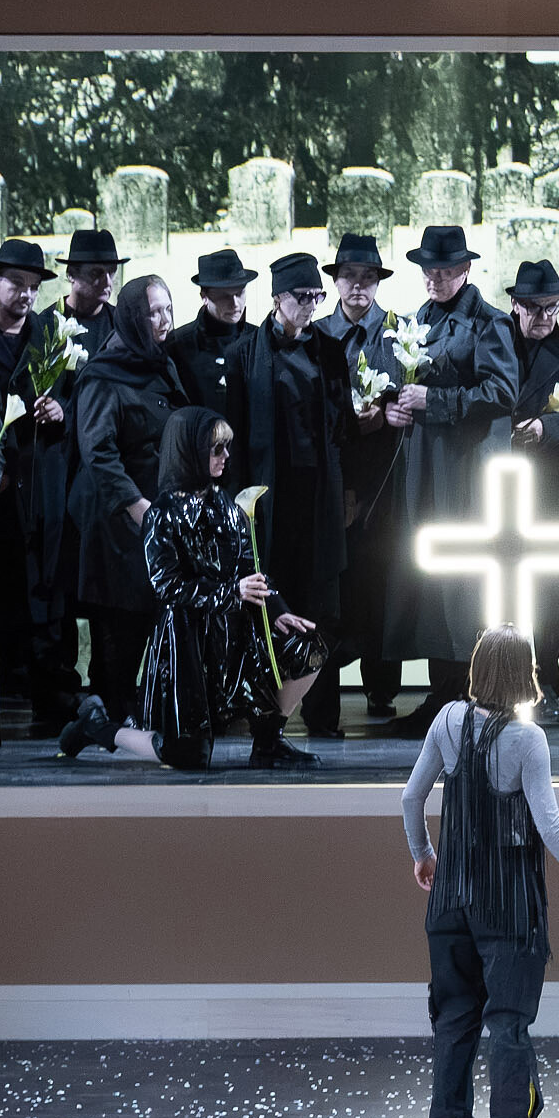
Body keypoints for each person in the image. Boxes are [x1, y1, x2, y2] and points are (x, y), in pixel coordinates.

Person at [402, 625, 559, 1118]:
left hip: (450, 903)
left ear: (477, 668)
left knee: (453, 1022)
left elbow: (411, 797)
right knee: (509, 1026)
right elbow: (548, 822)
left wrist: (423, 854)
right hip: (508, 909)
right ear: (523, 675)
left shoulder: (446, 721)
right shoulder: (527, 740)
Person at [381, 223, 520, 737]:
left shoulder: (490, 323)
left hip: (466, 473)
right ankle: (443, 699)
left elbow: (502, 392)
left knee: (464, 586)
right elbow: (408, 385)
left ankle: (468, 700)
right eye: (427, 270)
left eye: (443, 270)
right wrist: (397, 408)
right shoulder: (418, 320)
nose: (433, 278)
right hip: (425, 470)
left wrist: (434, 401)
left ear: (464, 269)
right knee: (431, 583)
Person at [138, 406, 312, 771]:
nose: (225, 456)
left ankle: (269, 740)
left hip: (233, 631)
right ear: (191, 451)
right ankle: (103, 729)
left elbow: (251, 569)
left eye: (226, 447)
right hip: (186, 639)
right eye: (216, 448)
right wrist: (231, 592)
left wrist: (276, 610)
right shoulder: (162, 513)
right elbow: (166, 584)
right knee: (186, 754)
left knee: (305, 647)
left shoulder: (228, 508)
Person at [0, 238, 74, 735]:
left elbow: (74, 395)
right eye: (16, 283)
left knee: (43, 585)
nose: (26, 294)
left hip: (38, 482)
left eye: (34, 286)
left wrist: (60, 411)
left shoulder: (49, 334)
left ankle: (48, 696)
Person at [72, 273, 184, 717]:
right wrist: (138, 507)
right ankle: (107, 725)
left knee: (151, 624)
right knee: (119, 633)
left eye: (168, 309)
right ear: (134, 317)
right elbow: (98, 453)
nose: (164, 319)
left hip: (157, 519)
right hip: (119, 526)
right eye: (153, 312)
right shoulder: (103, 374)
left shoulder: (159, 363)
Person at [25, 229, 125, 725]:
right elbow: (25, 388)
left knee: (103, 584)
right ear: (71, 276)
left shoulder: (118, 324)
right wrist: (47, 408)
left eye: (110, 273)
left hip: (101, 474)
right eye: (95, 273)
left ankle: (110, 691)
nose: (106, 282)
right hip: (56, 474)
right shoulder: (47, 325)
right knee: (56, 584)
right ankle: (57, 696)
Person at [314, 234, 413, 722]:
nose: (358, 286)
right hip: (334, 477)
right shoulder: (317, 336)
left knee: (385, 577)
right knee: (337, 583)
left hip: (386, 478)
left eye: (368, 277)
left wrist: (391, 415)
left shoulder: (398, 334)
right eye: (349, 277)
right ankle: (323, 688)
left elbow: (411, 393)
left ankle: (382, 687)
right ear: (335, 282)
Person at [252, 249, 350, 735]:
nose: (311, 306)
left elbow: (341, 425)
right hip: (272, 499)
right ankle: (265, 718)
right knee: (272, 604)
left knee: (321, 607)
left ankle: (322, 715)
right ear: (277, 298)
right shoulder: (252, 350)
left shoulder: (328, 349)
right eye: (302, 297)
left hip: (318, 498)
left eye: (317, 296)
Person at [502, 257, 559, 709]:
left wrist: (546, 427)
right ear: (515, 305)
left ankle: (546, 684)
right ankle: (496, 680)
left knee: (549, 588)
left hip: (550, 481)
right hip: (497, 479)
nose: (544, 316)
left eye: (552, 306)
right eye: (534, 307)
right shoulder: (494, 342)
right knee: (496, 583)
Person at [167, 249, 273, 486]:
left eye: (240, 293)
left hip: (251, 468)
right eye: (224, 296)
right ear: (204, 295)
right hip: (198, 471)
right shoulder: (178, 346)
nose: (235, 303)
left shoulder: (260, 341)